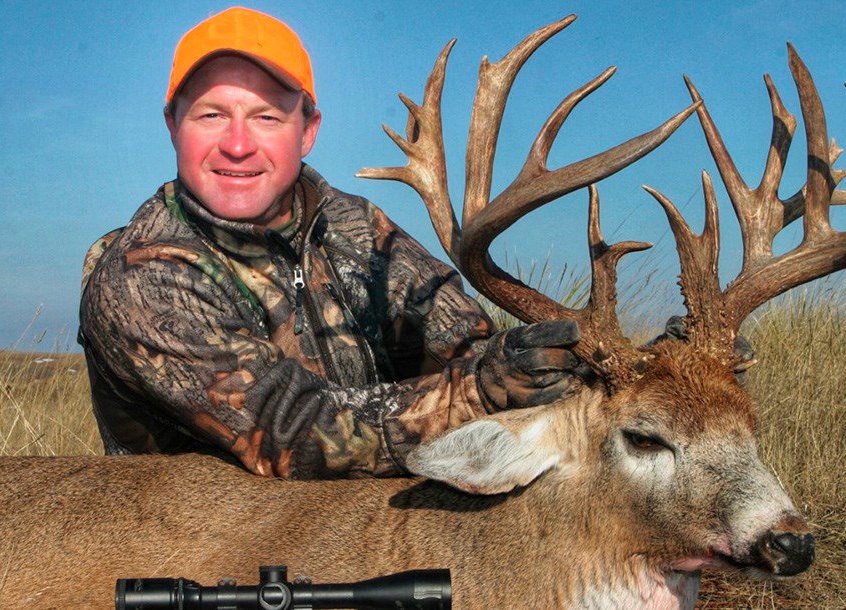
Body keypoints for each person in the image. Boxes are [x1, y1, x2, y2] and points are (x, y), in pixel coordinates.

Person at [78, 7, 585, 479]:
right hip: (206, 557)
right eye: (210, 115)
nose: (236, 144)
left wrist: (591, 364)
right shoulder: (141, 275)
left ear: (307, 131)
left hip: (365, 530)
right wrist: (484, 391)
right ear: (172, 127)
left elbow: (468, 342)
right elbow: (298, 433)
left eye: (267, 116)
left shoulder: (355, 226)